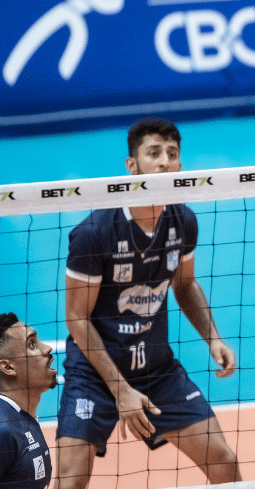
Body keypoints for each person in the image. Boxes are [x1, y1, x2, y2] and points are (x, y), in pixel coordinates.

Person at [56, 118, 241, 489]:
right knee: (70, 481)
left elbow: (185, 285)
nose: (164, 163)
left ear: (180, 165)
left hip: (157, 371)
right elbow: (76, 317)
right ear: (132, 165)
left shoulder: (182, 221)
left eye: (172, 154)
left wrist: (213, 338)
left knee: (223, 461)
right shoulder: (95, 233)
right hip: (95, 375)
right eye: (153, 153)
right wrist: (121, 389)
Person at [0, 313, 58, 489]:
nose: (47, 348)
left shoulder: (21, 419)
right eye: (32, 344)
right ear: (8, 367)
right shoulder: (4, 430)